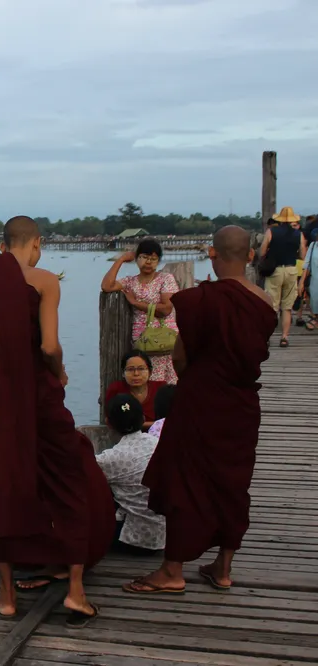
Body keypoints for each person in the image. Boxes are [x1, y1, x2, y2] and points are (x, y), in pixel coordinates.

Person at [0, 215, 115, 628]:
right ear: (36, 242)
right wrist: (59, 371)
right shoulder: (45, 280)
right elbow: (48, 345)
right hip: (38, 397)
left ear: (4, 243)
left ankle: (6, 596)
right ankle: (76, 592)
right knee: (71, 479)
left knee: (2, 483)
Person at [124, 226, 275, 595]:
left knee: (184, 478)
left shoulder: (196, 299)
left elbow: (180, 358)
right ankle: (222, 568)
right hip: (241, 405)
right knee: (233, 481)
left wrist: (200, 381)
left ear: (211, 253)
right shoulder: (264, 303)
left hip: (200, 400)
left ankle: (172, 570)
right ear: (251, 256)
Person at [100, 240, 180, 383]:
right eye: (144, 257)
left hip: (164, 339)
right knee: (145, 382)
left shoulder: (165, 279)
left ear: (158, 261)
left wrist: (136, 303)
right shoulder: (130, 282)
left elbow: (166, 309)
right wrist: (122, 259)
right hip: (142, 341)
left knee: (167, 384)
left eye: (153, 259)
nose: (148, 262)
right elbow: (106, 286)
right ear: (137, 259)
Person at [97, 394, 165, 556]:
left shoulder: (110, 459)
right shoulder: (158, 444)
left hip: (134, 540)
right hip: (164, 535)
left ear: (108, 423)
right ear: (142, 418)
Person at [259, 206, 306, 347]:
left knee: (272, 306)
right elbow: (303, 255)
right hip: (291, 270)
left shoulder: (271, 232)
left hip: (275, 270)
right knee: (287, 307)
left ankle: (267, 337)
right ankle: (285, 337)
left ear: (279, 219)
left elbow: (262, 251)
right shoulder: (299, 235)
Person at [104, 350, 164, 430]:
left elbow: (169, 420)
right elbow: (109, 420)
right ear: (123, 373)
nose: (136, 373)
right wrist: (153, 424)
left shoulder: (160, 388)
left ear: (150, 372)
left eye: (141, 369)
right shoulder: (116, 389)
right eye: (130, 369)